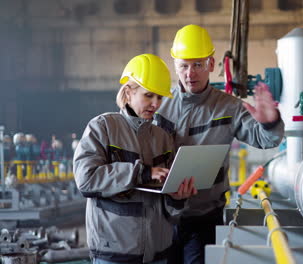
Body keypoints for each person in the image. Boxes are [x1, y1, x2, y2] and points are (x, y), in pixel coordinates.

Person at [154, 24, 285, 264]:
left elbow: (267, 139)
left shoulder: (229, 107)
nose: (190, 73)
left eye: (198, 65)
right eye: (183, 65)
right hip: (161, 217)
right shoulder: (159, 107)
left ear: (211, 65)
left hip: (204, 217)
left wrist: (270, 122)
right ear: (175, 65)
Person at [73, 54, 197, 264]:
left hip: (158, 253)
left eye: (160, 97)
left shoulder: (163, 138)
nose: (155, 104)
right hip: (115, 254)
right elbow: (86, 179)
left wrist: (177, 197)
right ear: (128, 92)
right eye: (149, 95)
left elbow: (168, 209)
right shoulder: (103, 127)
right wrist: (142, 173)